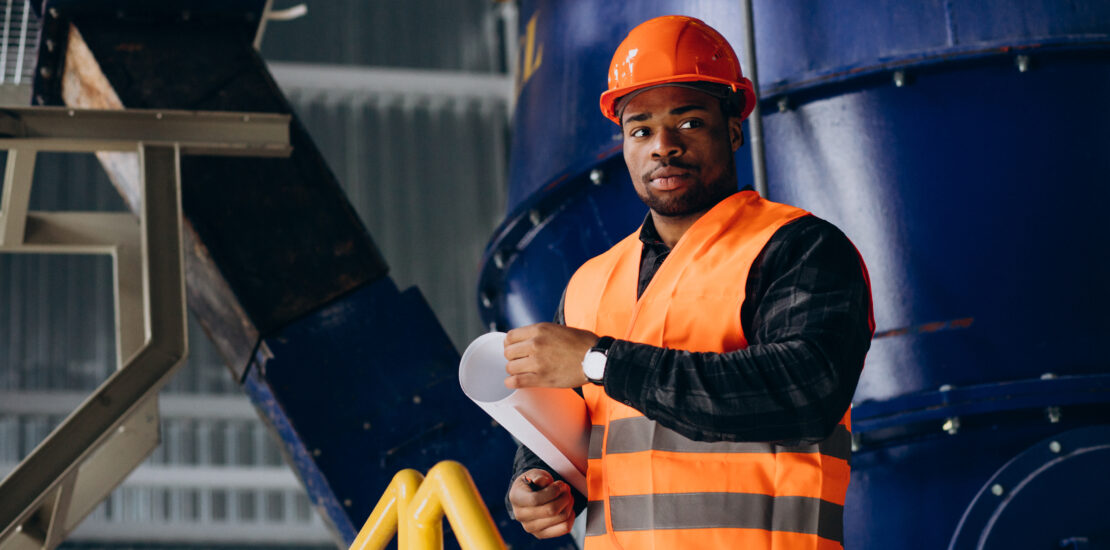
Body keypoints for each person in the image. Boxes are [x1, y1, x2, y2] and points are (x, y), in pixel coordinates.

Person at [503, 15, 873, 550]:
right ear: (624, 146)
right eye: (641, 130)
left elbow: (804, 390)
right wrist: (538, 485)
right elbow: (570, 431)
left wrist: (599, 362)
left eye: (689, 122)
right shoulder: (590, 283)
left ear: (733, 129)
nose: (663, 146)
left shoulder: (797, 248)